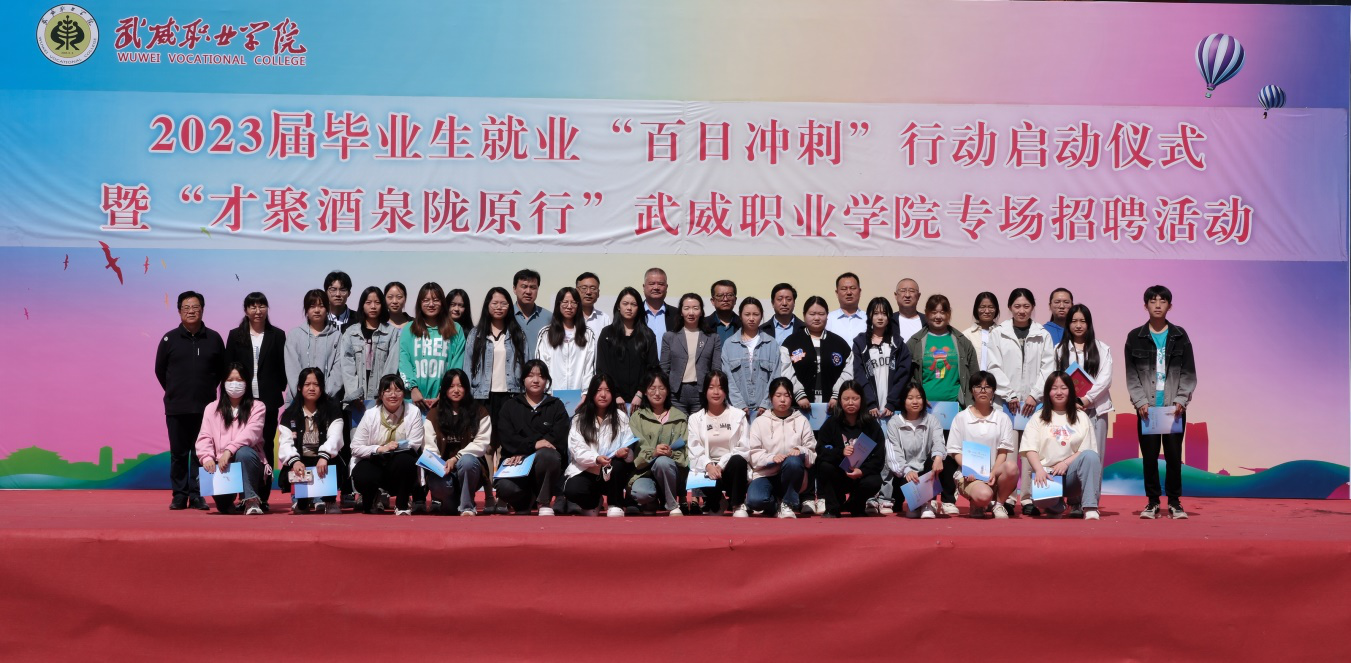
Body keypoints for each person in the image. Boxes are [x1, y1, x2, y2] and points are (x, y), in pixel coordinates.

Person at [1124, 285, 1197, 520]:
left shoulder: (1180, 336)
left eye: (1162, 301)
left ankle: (1175, 502)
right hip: (1148, 410)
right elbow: (1131, 375)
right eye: (1153, 301)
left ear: (1169, 306)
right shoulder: (1134, 337)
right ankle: (1152, 502)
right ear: (1145, 305)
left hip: (1173, 409)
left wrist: (1181, 399)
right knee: (1149, 458)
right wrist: (1140, 402)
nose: (1157, 305)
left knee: (1174, 458)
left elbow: (1188, 372)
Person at [987, 288, 1056, 516]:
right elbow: (993, 366)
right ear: (1010, 308)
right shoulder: (999, 333)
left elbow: (1048, 367)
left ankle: (1028, 498)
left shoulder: (1042, 334)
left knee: (1030, 452)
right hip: (1007, 403)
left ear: (1033, 307)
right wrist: (1010, 394)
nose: (1022, 311)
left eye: (1026, 306)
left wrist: (1034, 395)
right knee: (1007, 452)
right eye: (1017, 306)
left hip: (1034, 404)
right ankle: (1006, 498)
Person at [157, 291, 225, 511]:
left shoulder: (214, 338)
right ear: (179, 311)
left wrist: (205, 390)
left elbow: (221, 371)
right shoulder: (169, 339)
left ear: (202, 309)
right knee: (178, 454)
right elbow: (160, 371)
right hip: (176, 407)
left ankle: (197, 495)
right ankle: (179, 495)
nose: (191, 311)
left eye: (195, 307)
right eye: (186, 307)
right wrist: (176, 391)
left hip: (205, 409)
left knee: (201, 453)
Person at [341, 286, 402, 498]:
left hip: (380, 400)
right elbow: (346, 364)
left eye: (377, 302)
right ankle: (361, 492)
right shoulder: (351, 332)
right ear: (362, 305)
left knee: (382, 443)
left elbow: (392, 364)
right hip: (358, 402)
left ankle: (382, 491)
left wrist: (382, 394)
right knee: (358, 445)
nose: (373, 306)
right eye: (368, 302)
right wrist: (354, 393)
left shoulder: (392, 333)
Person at [1022, 372, 1103, 520]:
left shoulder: (1081, 417)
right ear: (1048, 392)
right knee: (1043, 500)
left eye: (1063, 388)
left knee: (1091, 456)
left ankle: (1090, 507)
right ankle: (1056, 505)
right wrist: (1039, 470)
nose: (1059, 392)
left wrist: (1065, 463)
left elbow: (1086, 450)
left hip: (1071, 476)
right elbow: (1030, 448)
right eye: (1054, 388)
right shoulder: (1038, 417)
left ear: (1070, 391)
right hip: (1048, 474)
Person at [494, 360, 569, 516]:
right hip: (516, 464)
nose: (535, 380)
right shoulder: (510, 406)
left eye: (541, 376)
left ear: (546, 380)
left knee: (548, 455)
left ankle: (544, 501)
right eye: (530, 375)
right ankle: (525, 502)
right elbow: (507, 438)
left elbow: (558, 437)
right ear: (523, 379)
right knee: (505, 488)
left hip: (545, 466)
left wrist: (534, 449)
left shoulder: (556, 405)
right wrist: (533, 445)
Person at [224, 292, 286, 480]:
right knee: (241, 443)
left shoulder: (277, 335)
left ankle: (263, 491)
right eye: (253, 306)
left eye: (262, 306)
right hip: (242, 400)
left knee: (266, 444)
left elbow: (283, 367)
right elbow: (228, 367)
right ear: (246, 310)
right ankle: (244, 488)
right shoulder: (235, 335)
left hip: (269, 401)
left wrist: (277, 387)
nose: (258, 311)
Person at [195, 364, 269, 515]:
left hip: (249, 463)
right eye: (230, 380)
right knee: (221, 504)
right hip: (222, 466)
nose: (235, 384)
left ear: (247, 382)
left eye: (239, 380)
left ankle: (251, 499)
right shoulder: (211, 408)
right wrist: (207, 458)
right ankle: (226, 502)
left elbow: (251, 433)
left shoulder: (258, 407)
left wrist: (229, 450)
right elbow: (204, 437)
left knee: (244, 452)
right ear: (223, 383)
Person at [946, 371, 1019, 518]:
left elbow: (1003, 452)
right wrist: (969, 470)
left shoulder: (1002, 418)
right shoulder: (961, 417)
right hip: (969, 475)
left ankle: (998, 504)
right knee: (983, 495)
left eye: (987, 387)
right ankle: (977, 502)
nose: (983, 390)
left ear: (993, 391)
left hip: (993, 473)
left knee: (1011, 467)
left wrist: (993, 472)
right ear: (971, 390)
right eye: (978, 387)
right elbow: (955, 451)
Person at [350, 374, 425, 514]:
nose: (393, 395)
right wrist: (380, 449)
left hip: (400, 463)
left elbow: (415, 443)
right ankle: (371, 500)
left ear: (403, 393)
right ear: (381, 394)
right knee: (363, 474)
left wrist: (395, 447)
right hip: (375, 461)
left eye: (398, 390)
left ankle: (402, 505)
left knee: (406, 461)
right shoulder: (370, 414)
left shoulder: (413, 411)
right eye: (388, 390)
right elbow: (355, 447)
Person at [563, 374, 634, 517]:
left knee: (619, 465)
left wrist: (626, 453)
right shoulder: (580, 419)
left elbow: (629, 446)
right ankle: (593, 502)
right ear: (591, 393)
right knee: (572, 489)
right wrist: (596, 459)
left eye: (607, 390)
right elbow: (577, 449)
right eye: (598, 390)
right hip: (587, 469)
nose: (603, 395)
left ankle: (615, 503)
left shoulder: (621, 417)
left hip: (612, 470)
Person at [744, 378, 816, 518]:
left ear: (792, 398)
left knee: (793, 461)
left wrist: (800, 450)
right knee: (755, 501)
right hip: (765, 474)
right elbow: (752, 454)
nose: (782, 400)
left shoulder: (801, 421)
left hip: (792, 474)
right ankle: (776, 504)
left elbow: (812, 452)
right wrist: (772, 458)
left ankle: (788, 503)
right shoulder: (759, 422)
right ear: (771, 397)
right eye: (778, 395)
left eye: (787, 395)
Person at [814, 381, 887, 518]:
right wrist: (840, 452)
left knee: (875, 481)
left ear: (862, 399)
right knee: (824, 466)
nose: (850, 402)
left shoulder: (871, 425)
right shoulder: (831, 423)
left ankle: (856, 505)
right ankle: (833, 507)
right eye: (846, 399)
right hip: (839, 474)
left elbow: (878, 458)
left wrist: (862, 471)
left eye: (855, 398)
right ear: (840, 401)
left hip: (861, 475)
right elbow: (820, 450)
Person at [423, 369, 489, 516]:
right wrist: (440, 465)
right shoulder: (434, 413)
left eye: (460, 386)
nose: (456, 390)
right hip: (444, 471)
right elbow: (429, 446)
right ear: (444, 389)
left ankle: (467, 506)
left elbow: (481, 443)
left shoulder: (480, 412)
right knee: (449, 506)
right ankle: (450, 502)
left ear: (466, 388)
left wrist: (455, 458)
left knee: (467, 461)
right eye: (451, 386)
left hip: (469, 469)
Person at [277, 367, 343, 514]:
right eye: (307, 384)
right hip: (301, 461)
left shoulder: (332, 410)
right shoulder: (290, 414)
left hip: (324, 461)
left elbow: (335, 437)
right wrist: (295, 461)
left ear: (322, 387)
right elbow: (285, 443)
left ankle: (330, 500)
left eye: (316, 384)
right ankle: (301, 500)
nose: (312, 388)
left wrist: (324, 456)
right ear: (299, 387)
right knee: (301, 510)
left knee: (332, 461)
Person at [686, 370, 750, 516]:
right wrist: (709, 465)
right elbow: (694, 449)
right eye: (711, 387)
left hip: (729, 468)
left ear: (726, 391)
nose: (716, 392)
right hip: (708, 470)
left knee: (738, 460)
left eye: (720, 388)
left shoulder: (738, 416)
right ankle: (717, 501)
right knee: (698, 472)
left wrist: (721, 465)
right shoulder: (695, 419)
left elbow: (744, 448)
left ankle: (737, 504)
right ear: (705, 391)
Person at [1055, 304, 1113, 460]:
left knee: (1095, 455)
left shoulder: (1102, 349)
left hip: (1096, 409)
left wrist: (1087, 399)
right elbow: (1055, 379)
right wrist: (1071, 401)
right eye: (1074, 321)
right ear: (1068, 323)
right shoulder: (1059, 350)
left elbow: (1105, 379)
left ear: (1089, 323)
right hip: (1067, 410)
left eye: (1083, 321)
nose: (1078, 325)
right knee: (1066, 454)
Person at [628, 372, 690, 516]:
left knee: (663, 462)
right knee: (641, 493)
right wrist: (653, 453)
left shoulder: (680, 418)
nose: (657, 393)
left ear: (667, 391)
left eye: (661, 388)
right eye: (652, 388)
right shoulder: (637, 418)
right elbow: (636, 452)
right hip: (645, 472)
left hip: (672, 473)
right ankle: (652, 500)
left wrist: (671, 454)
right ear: (645, 391)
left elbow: (686, 452)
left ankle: (672, 504)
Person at [399, 282, 465, 413]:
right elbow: (404, 361)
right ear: (419, 303)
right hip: (414, 401)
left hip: (444, 402)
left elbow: (457, 364)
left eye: (436, 300)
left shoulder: (455, 329)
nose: (431, 304)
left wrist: (445, 392)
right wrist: (413, 389)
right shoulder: (408, 329)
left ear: (442, 303)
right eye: (426, 300)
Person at [906, 295, 980, 410]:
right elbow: (906, 377)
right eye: (934, 312)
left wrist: (972, 403)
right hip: (923, 408)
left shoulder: (962, 341)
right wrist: (917, 398)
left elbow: (975, 376)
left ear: (949, 314)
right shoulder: (915, 342)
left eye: (942, 312)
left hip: (957, 407)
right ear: (926, 313)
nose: (938, 316)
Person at [780, 295, 854, 410]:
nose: (817, 318)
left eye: (821, 314)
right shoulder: (791, 343)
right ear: (804, 315)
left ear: (827, 316)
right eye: (812, 314)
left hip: (833, 406)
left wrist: (837, 395)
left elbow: (848, 372)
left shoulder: (840, 344)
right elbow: (786, 371)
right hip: (798, 406)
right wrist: (799, 394)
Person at [885, 384, 947, 519]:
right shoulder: (894, 423)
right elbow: (893, 453)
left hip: (926, 471)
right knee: (910, 508)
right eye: (910, 398)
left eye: (919, 397)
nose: (915, 401)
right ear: (903, 400)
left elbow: (939, 442)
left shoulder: (932, 420)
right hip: (904, 474)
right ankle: (914, 504)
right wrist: (906, 470)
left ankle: (926, 503)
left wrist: (938, 457)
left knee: (938, 459)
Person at [595, 286, 659, 411]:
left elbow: (652, 368)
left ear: (639, 308)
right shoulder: (607, 334)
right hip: (613, 401)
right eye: (625, 304)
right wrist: (615, 394)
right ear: (618, 306)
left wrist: (640, 393)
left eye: (633, 304)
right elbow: (602, 368)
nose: (629, 308)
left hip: (641, 401)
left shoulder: (647, 335)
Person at [852, 296, 913, 419]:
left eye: (884, 314)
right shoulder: (860, 343)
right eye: (876, 313)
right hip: (869, 409)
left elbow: (903, 376)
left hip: (893, 409)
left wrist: (891, 403)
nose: (880, 317)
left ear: (889, 316)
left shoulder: (898, 344)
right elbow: (859, 375)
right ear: (869, 316)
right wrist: (870, 402)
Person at [661, 293, 722, 415]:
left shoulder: (712, 338)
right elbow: (664, 368)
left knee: (699, 425)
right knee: (679, 425)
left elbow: (716, 369)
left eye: (695, 308)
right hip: (676, 393)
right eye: (687, 308)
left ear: (701, 312)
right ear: (681, 312)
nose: (691, 312)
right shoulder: (670, 337)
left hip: (701, 392)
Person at [721, 297, 779, 419]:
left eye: (755, 314)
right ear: (740, 316)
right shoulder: (729, 344)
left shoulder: (771, 343)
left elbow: (775, 376)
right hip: (736, 411)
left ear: (761, 316)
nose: (751, 318)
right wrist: (739, 404)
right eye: (747, 314)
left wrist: (766, 403)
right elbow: (727, 378)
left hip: (765, 411)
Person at [535, 286, 596, 396]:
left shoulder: (587, 334)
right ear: (558, 304)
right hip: (551, 395)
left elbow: (589, 367)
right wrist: (548, 392)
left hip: (579, 397)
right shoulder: (546, 333)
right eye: (565, 302)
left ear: (578, 306)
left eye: (573, 303)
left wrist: (585, 393)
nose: (569, 306)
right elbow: (541, 365)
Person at [283, 289, 341, 402]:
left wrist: (325, 393)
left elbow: (338, 370)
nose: (317, 310)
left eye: (321, 306)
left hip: (327, 401)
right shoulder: (294, 335)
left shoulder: (337, 336)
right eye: (312, 306)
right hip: (297, 400)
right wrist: (302, 393)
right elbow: (292, 369)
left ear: (327, 309)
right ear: (306, 310)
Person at [642, 267, 681, 358]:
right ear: (644, 287)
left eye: (660, 284)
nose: (656, 287)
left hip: (669, 366)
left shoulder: (677, 314)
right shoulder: (635, 313)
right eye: (651, 284)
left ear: (666, 287)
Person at [513, 269, 551, 356]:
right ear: (514, 289)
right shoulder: (507, 316)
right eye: (524, 286)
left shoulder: (548, 317)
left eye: (533, 287)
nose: (528, 292)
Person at [961, 292, 1001, 371]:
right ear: (976, 309)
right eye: (982, 307)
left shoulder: (1002, 333)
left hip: (997, 378)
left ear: (996, 309)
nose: (987, 311)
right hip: (974, 378)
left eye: (991, 307)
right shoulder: (966, 335)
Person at [826, 272, 866, 341]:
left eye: (853, 288)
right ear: (837, 293)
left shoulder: (868, 319)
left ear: (859, 291)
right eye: (844, 289)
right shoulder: (828, 319)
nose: (849, 292)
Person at [705, 280, 742, 344]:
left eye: (729, 295)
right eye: (720, 295)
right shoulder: (703, 324)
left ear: (735, 300)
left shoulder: (743, 324)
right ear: (713, 301)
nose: (725, 299)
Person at [575, 272, 611, 336]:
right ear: (576, 291)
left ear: (598, 293)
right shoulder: (569, 317)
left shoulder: (604, 319)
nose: (588, 292)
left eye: (593, 288)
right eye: (584, 288)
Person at [892, 278, 924, 342]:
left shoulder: (928, 322)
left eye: (911, 291)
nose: (907, 295)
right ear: (896, 295)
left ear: (918, 296)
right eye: (903, 291)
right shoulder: (889, 321)